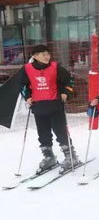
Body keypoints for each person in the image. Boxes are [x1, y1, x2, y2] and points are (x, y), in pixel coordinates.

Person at [19, 44, 81, 172]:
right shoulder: (27, 69)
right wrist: (27, 96)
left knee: (61, 132)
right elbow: (22, 85)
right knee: (43, 134)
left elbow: (69, 80)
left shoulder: (55, 67)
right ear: (35, 56)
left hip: (55, 105)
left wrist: (66, 92)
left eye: (48, 54)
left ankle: (71, 156)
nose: (47, 56)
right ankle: (49, 157)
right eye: (43, 54)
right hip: (38, 106)